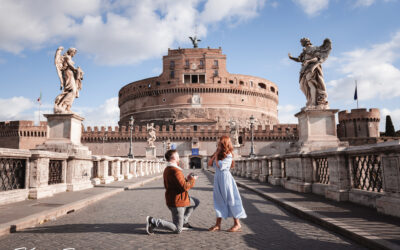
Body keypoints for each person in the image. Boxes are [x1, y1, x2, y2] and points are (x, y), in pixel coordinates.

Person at [146, 149, 199, 234]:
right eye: (177, 155)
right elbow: (185, 187)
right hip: (178, 202)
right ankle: (153, 221)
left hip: (178, 198)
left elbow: (178, 183)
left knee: (195, 202)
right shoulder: (175, 171)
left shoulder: (169, 168)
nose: (179, 156)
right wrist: (192, 180)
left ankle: (184, 221)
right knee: (177, 229)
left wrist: (187, 179)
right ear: (173, 157)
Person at [208, 136, 247, 232]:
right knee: (219, 201)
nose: (218, 145)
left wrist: (216, 156)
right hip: (218, 179)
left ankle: (237, 224)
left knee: (231, 200)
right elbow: (209, 164)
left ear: (224, 144)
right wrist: (214, 155)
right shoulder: (219, 154)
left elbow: (220, 166)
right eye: (218, 144)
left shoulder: (229, 155)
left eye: (220, 144)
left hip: (226, 179)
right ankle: (217, 225)